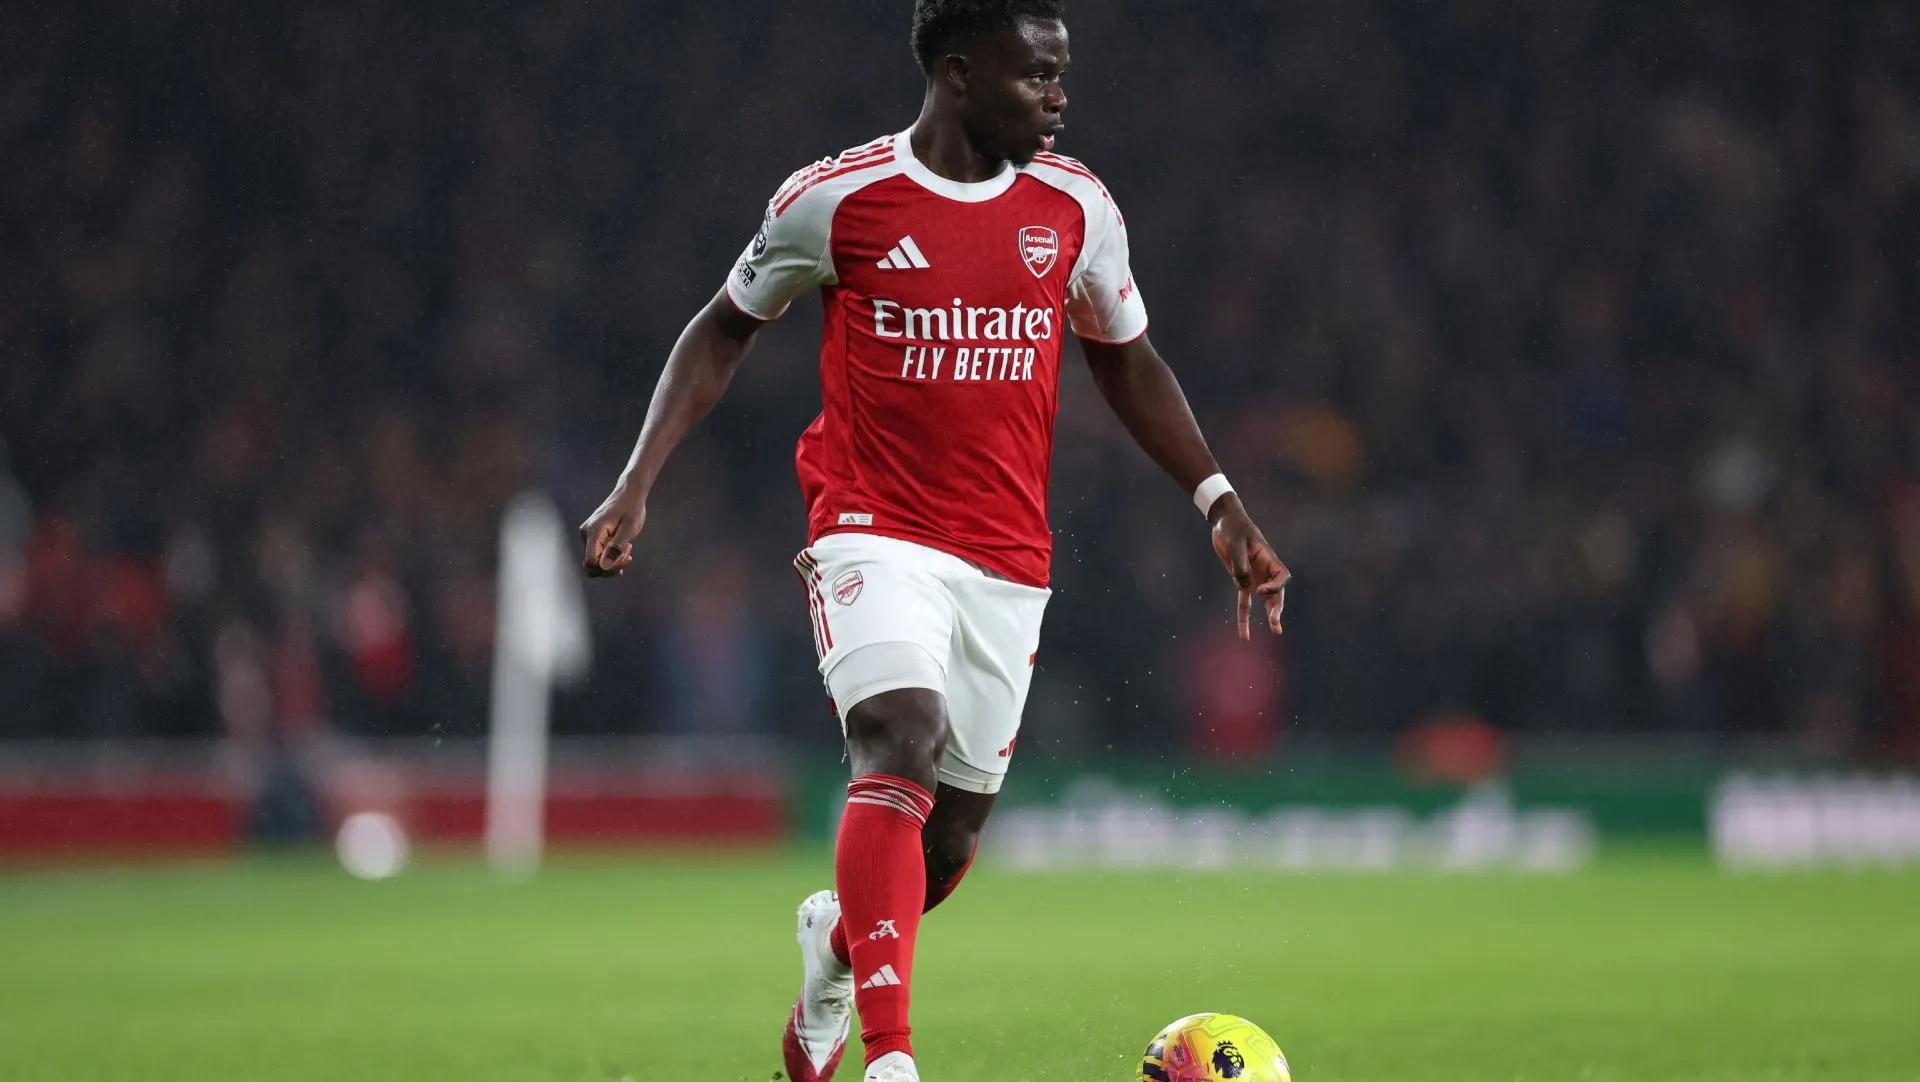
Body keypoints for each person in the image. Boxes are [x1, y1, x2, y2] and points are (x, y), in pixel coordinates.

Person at [577, 3, 1289, 1079]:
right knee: (897, 735)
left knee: (944, 847)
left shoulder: (1077, 207)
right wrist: (637, 481)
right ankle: (892, 1058)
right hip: (872, 528)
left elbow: (1127, 356)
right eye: (1036, 75)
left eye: (1063, 74)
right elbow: (722, 326)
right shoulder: (838, 199)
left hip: (1005, 557)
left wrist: (1219, 498)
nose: (1059, 96)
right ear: (958, 74)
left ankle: (834, 945)